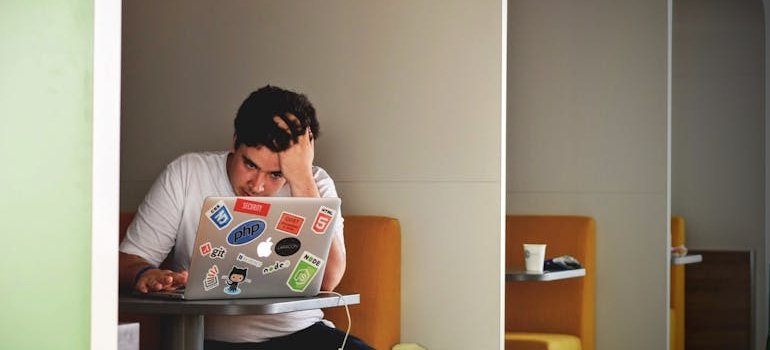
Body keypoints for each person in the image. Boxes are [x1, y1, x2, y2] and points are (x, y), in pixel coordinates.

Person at [118, 85, 373, 350]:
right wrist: (145, 274)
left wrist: (302, 179)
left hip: (300, 334)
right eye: (250, 164)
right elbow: (128, 260)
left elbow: (329, 279)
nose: (257, 186)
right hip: (207, 339)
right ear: (234, 141)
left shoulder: (315, 184)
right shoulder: (187, 173)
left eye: (276, 174)